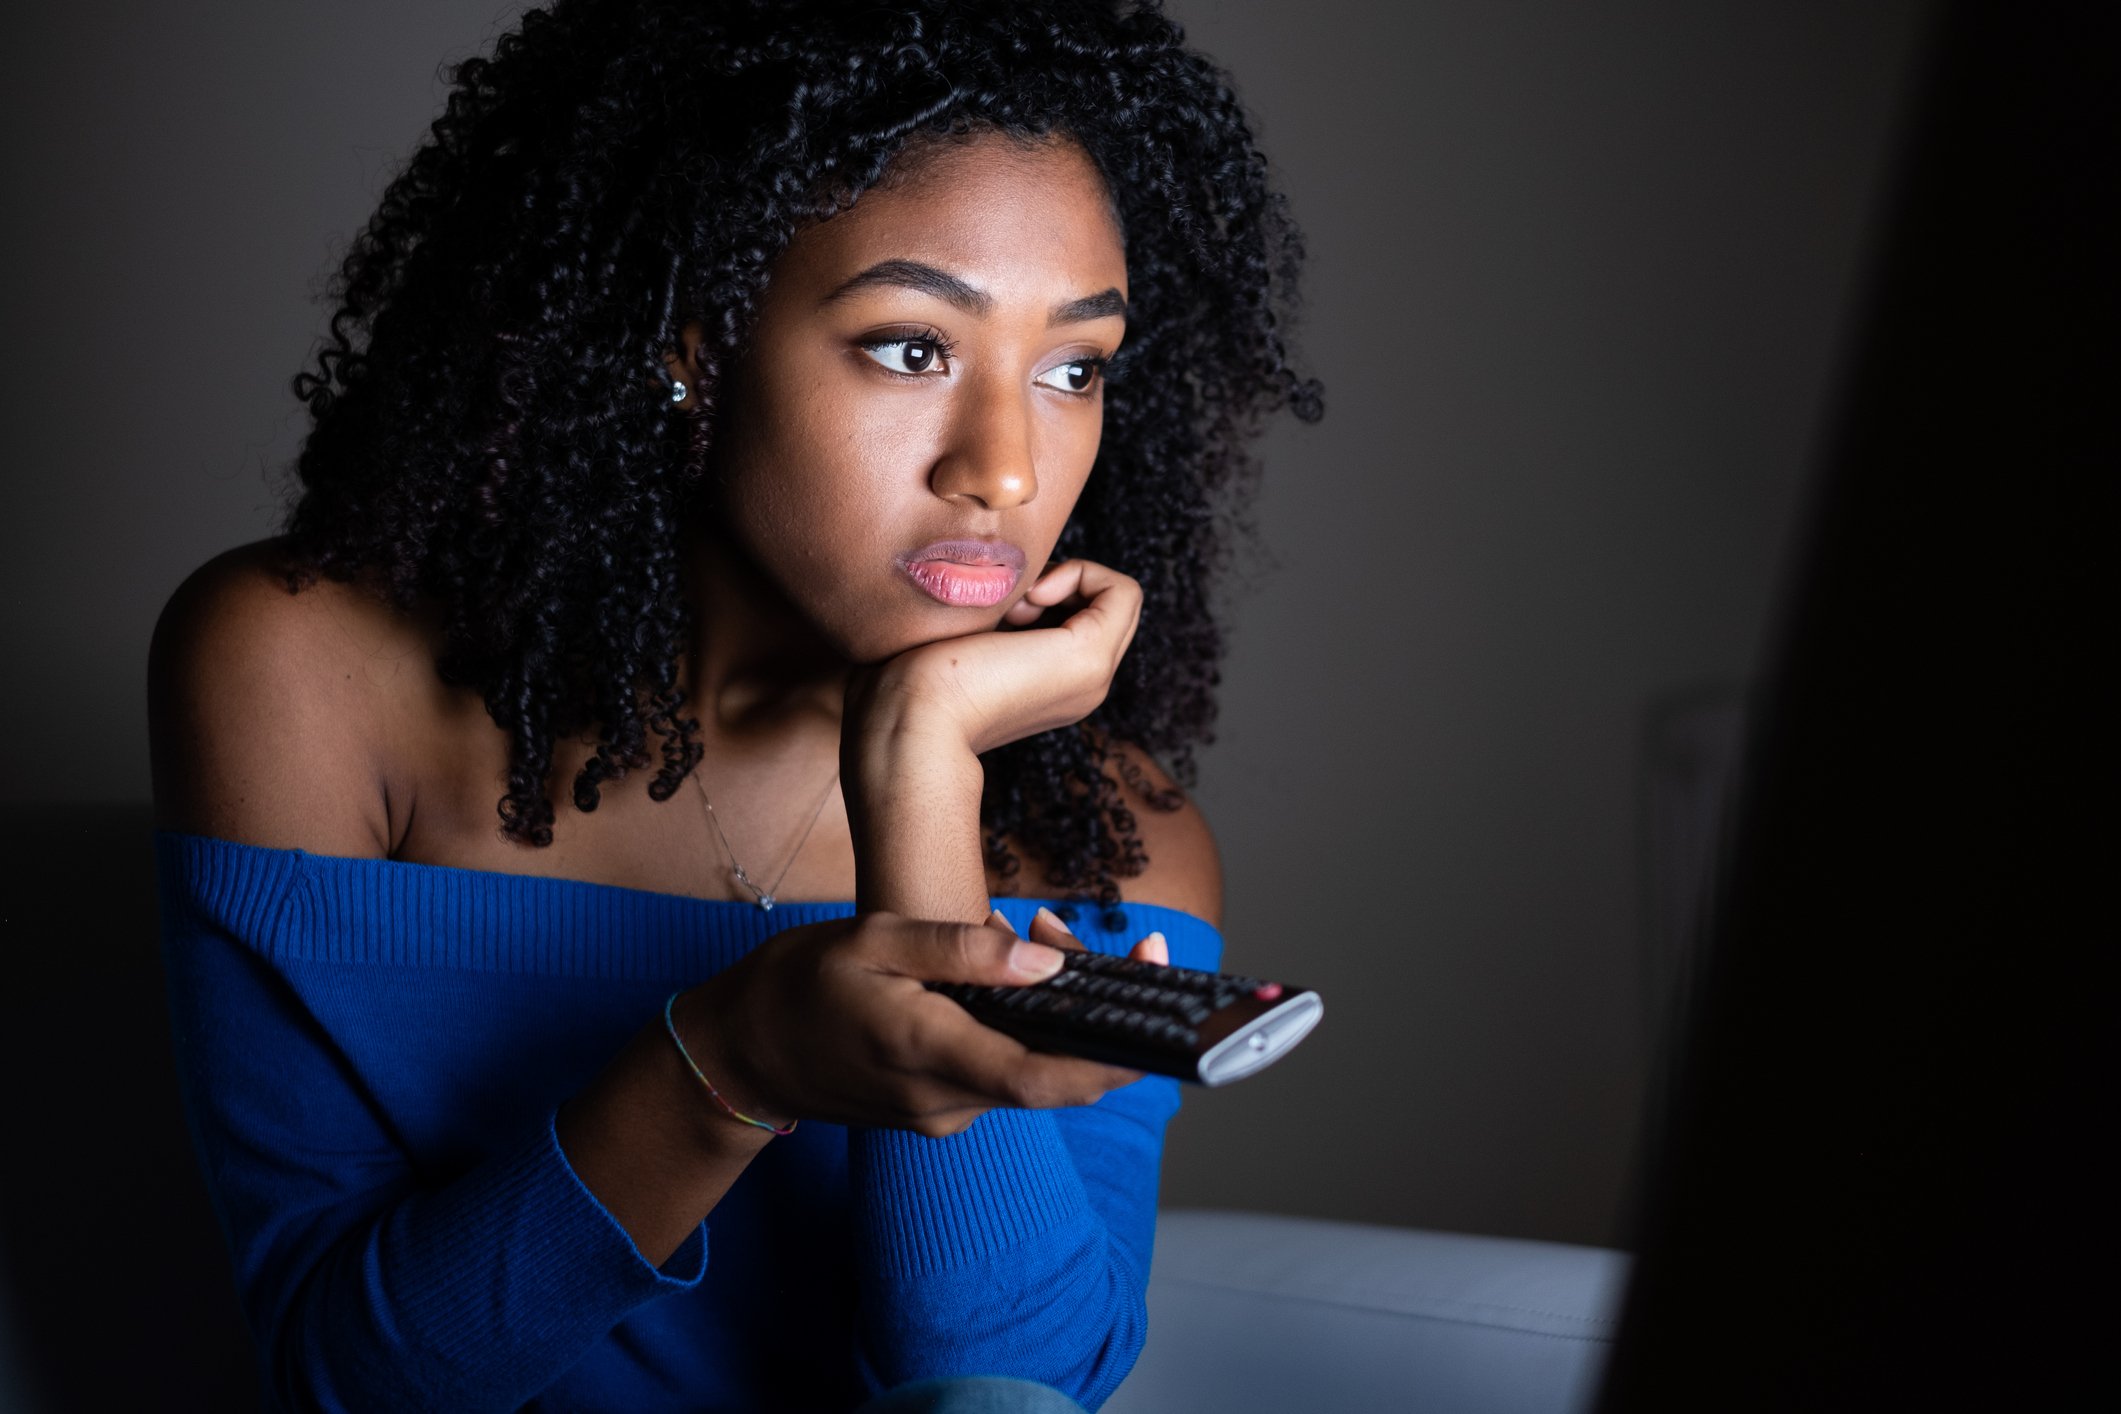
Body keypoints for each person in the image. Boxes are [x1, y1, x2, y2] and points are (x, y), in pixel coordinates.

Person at [146, 1, 1320, 1410]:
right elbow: (351, 1380)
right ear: (695, 343)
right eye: (910, 347)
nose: (1004, 469)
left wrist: (922, 772)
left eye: (1072, 368)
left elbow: (1008, 1383)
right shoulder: (307, 677)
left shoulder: (1113, 834)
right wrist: (736, 1058)